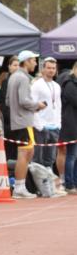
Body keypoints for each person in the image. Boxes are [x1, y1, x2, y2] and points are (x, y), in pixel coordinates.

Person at [5, 49, 46, 199]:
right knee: (25, 153)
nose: (35, 63)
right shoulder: (22, 78)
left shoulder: (14, 76)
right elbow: (24, 101)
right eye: (34, 60)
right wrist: (38, 105)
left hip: (19, 120)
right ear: (27, 61)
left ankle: (19, 186)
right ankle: (19, 187)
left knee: (27, 152)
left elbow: (9, 101)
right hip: (24, 120)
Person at [31, 57, 61, 171]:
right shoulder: (37, 85)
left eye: (53, 68)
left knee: (50, 160)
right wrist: (39, 126)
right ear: (43, 69)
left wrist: (59, 124)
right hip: (40, 127)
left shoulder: (57, 86)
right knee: (38, 159)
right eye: (48, 68)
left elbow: (58, 106)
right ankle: (36, 187)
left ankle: (48, 186)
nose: (51, 70)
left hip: (54, 127)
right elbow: (32, 106)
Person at [58, 60, 77, 194]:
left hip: (73, 123)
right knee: (71, 155)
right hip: (70, 124)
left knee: (74, 155)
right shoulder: (69, 84)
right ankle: (69, 184)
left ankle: (73, 182)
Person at [0, 56, 20, 168]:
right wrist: (11, 118)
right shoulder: (6, 82)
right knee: (10, 151)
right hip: (10, 123)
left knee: (20, 151)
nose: (17, 68)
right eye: (14, 65)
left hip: (22, 122)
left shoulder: (25, 81)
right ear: (9, 67)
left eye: (18, 65)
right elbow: (3, 104)